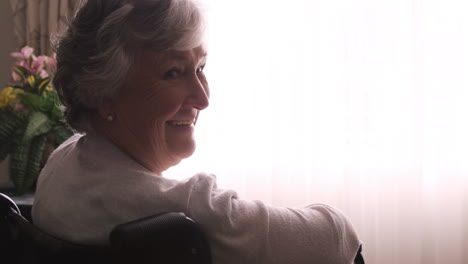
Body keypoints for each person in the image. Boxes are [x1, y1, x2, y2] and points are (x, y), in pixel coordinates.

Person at [32, 0, 361, 263]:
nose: (203, 99)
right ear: (103, 93)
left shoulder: (61, 167)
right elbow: (336, 237)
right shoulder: (184, 213)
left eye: (200, 68)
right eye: (173, 73)